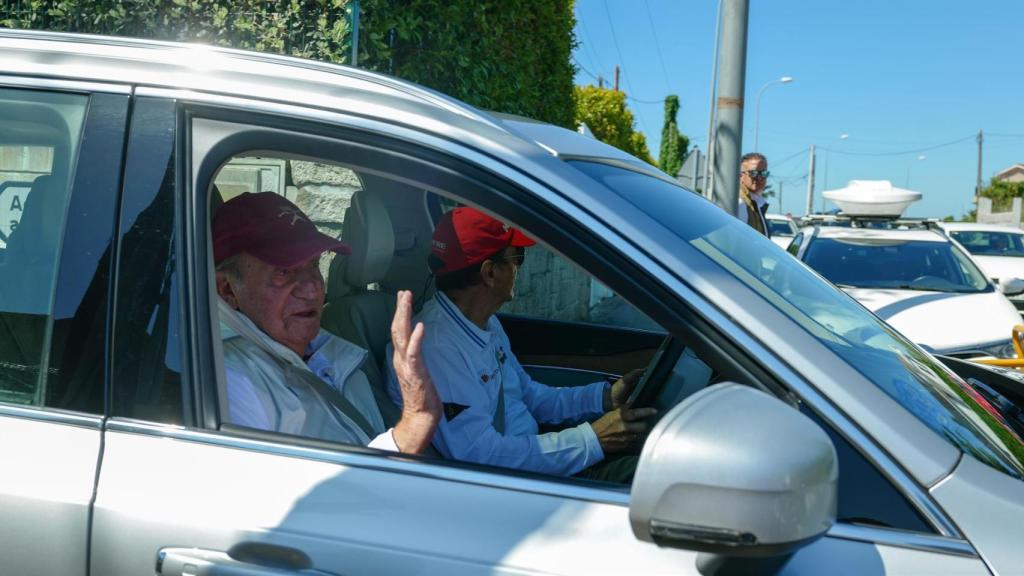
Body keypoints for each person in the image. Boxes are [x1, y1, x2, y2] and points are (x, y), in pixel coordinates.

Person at [385, 207, 655, 478]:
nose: (518, 268)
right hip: (517, 481)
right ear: (490, 273)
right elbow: (482, 456)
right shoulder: (437, 348)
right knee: (649, 474)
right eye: (517, 257)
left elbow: (529, 395)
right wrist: (593, 439)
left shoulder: (485, 323)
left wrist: (604, 397)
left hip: (530, 454)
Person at [213, 191, 440, 454]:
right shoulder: (230, 379)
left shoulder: (333, 353)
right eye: (283, 271)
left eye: (314, 264)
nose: (313, 289)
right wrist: (412, 427)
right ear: (226, 289)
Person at [736, 152, 771, 237]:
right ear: (740, 175)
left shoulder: (756, 202)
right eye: (753, 173)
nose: (759, 178)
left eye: (763, 173)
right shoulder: (739, 203)